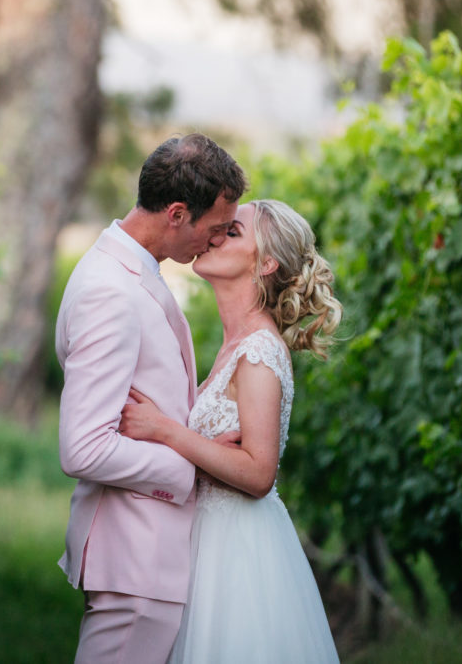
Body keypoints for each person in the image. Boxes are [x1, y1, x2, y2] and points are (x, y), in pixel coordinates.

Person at [119, 198, 343, 663]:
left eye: (232, 232)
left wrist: (164, 430)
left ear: (266, 264)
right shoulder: (233, 346)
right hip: (206, 542)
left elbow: (260, 473)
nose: (215, 235)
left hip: (240, 556)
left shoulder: (259, 351)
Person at [55, 133, 247, 664]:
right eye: (212, 230)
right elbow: (83, 449)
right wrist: (186, 468)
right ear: (178, 213)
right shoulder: (109, 292)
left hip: (148, 556)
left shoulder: (130, 271)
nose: (213, 243)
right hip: (135, 557)